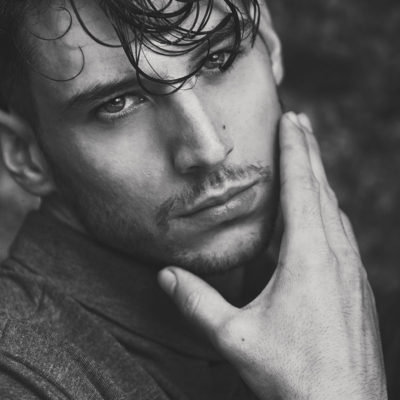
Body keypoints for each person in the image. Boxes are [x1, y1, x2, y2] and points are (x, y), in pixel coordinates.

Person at [0, 0, 387, 398]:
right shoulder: (18, 378)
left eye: (218, 59)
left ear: (268, 43)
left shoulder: (343, 318)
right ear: (25, 154)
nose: (208, 148)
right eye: (118, 104)